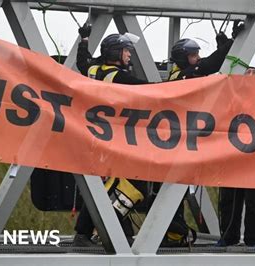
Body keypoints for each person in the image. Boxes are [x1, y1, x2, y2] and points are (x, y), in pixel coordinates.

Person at [73, 24, 194, 248]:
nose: (130, 54)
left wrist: (84, 40)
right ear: (115, 53)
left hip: (96, 138)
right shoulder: (119, 77)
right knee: (130, 186)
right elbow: (151, 90)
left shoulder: (93, 69)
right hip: (113, 140)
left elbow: (83, 61)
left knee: (109, 188)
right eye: (126, 50)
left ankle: (112, 231)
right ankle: (90, 231)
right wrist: (181, 87)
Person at [217, 66, 255, 247]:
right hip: (233, 157)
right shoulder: (235, 99)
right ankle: (228, 237)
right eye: (247, 72)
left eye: (254, 72)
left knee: (254, 201)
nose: (249, 75)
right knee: (229, 199)